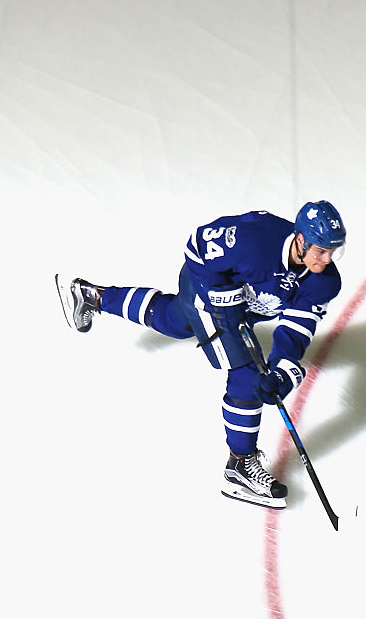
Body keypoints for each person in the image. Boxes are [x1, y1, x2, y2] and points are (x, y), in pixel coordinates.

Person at [56, 201, 346, 509]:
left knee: (175, 320)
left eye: (333, 252)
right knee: (247, 373)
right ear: (301, 240)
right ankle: (239, 466)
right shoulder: (256, 240)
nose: (326, 261)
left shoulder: (324, 282)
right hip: (207, 287)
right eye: (321, 251)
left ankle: (91, 296)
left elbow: (296, 329)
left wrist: (282, 373)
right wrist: (222, 300)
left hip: (238, 308)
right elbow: (198, 246)